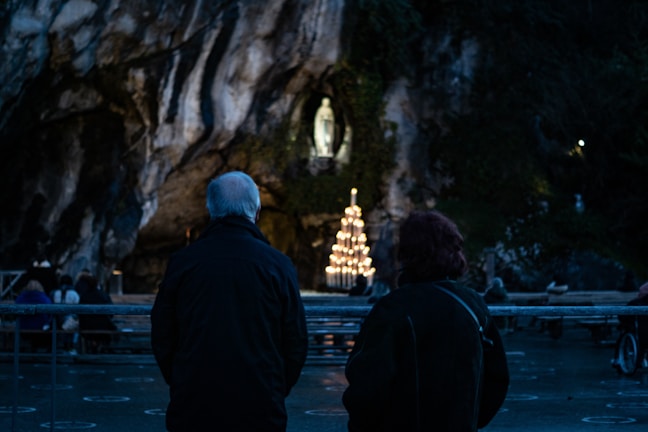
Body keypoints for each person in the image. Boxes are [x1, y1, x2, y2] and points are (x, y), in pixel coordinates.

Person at [151, 171, 308, 432]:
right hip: (261, 402)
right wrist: (276, 386)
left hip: (194, 401)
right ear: (257, 211)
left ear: (211, 210)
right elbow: (296, 339)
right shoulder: (278, 265)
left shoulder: (183, 263)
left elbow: (162, 333)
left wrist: (181, 379)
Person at [343, 210, 509, 431]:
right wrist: (470, 419)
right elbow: (497, 377)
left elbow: (367, 384)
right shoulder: (473, 304)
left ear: (408, 253)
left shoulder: (394, 308)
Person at [78, 272, 117, 353]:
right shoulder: (103, 295)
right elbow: (111, 312)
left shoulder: (84, 296)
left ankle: (94, 345)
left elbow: (80, 314)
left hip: (86, 326)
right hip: (103, 326)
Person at [15, 279, 53, 352]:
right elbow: (50, 312)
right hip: (41, 328)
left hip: (23, 328)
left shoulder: (20, 298)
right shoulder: (44, 298)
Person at [50, 274, 81, 353]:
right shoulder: (73, 293)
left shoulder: (55, 292)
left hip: (57, 319)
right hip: (69, 319)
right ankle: (71, 346)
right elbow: (78, 306)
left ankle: (61, 346)